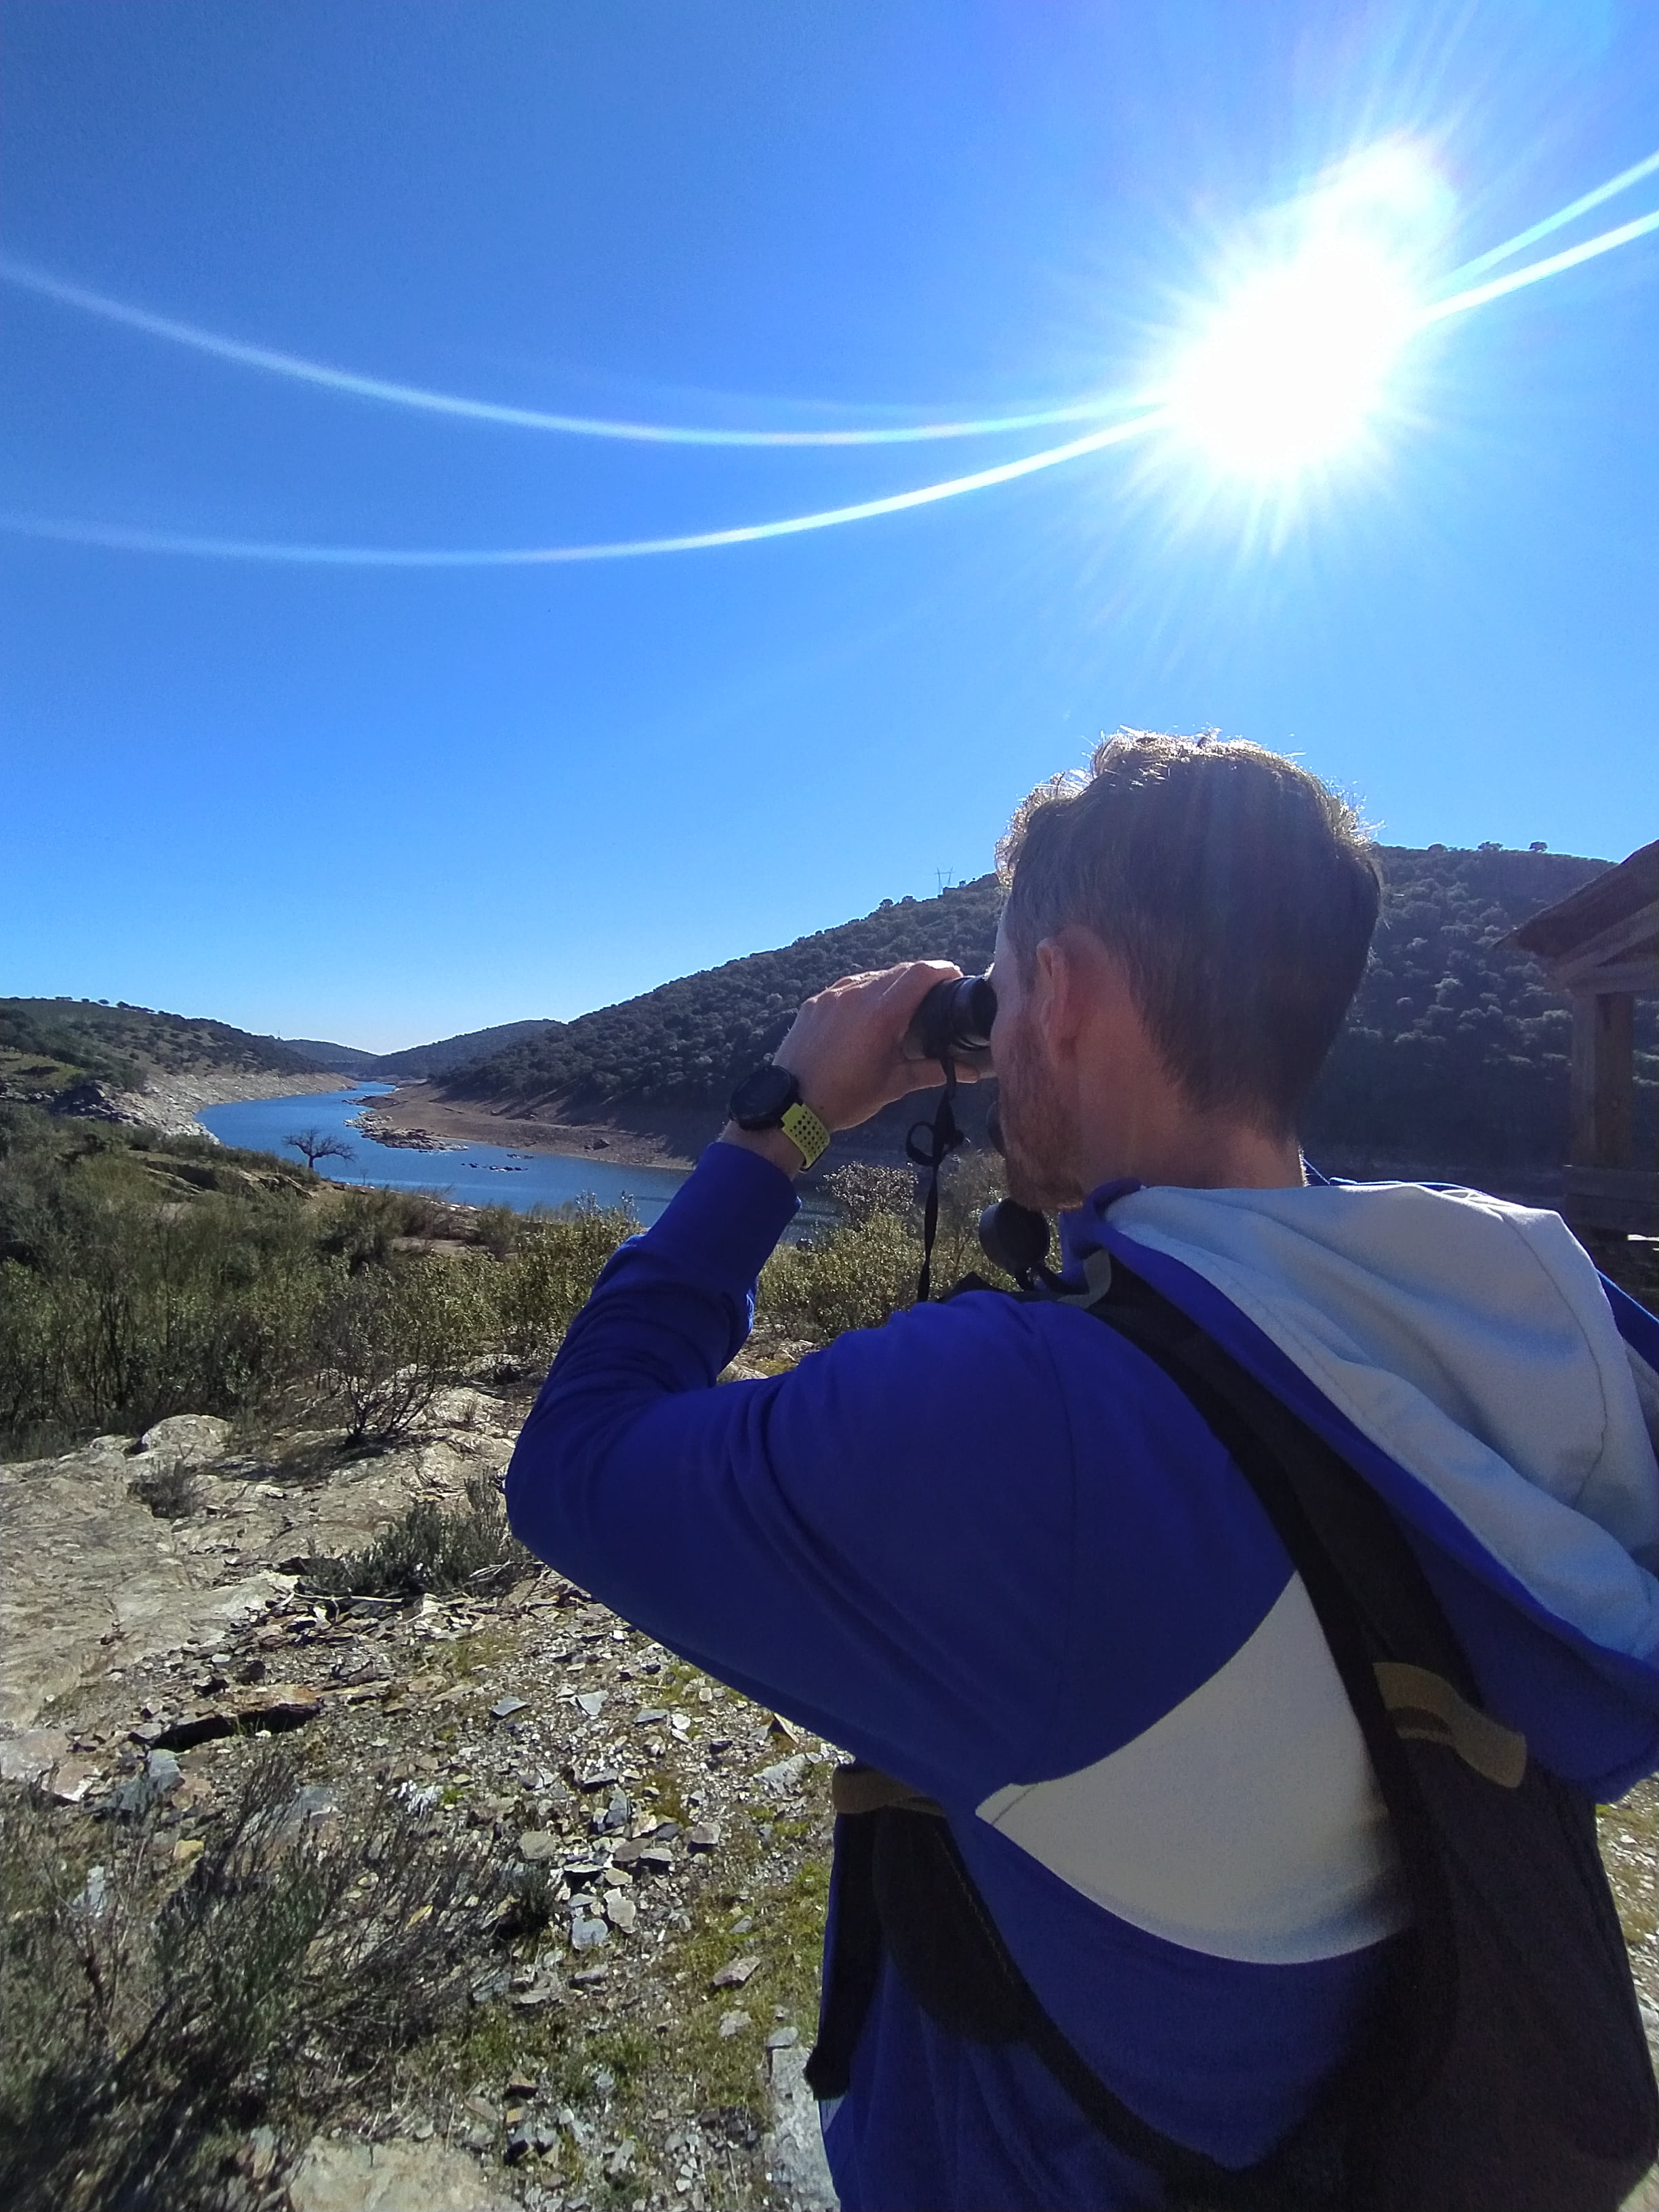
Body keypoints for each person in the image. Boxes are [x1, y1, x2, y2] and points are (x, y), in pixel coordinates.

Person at [506, 732, 1659, 2211]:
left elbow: (575, 1463)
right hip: (1371, 2106)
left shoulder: (1016, 1427)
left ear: (1061, 994)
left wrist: (777, 1116)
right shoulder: (1505, 1296)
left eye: (1004, 990)